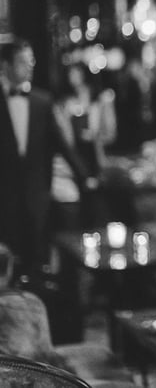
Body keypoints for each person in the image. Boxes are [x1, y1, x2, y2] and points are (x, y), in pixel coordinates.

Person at [0, 38, 94, 276]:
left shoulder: (42, 102)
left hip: (37, 195)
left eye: (31, 61)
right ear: (6, 66)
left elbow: (62, 146)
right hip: (4, 195)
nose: (29, 67)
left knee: (37, 260)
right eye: (22, 62)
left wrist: (86, 177)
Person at [55, 63, 116, 227]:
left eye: (77, 73)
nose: (73, 78)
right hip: (75, 157)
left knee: (98, 203)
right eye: (70, 74)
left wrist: (95, 136)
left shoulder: (100, 100)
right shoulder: (65, 103)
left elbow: (110, 133)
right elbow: (63, 138)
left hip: (94, 156)